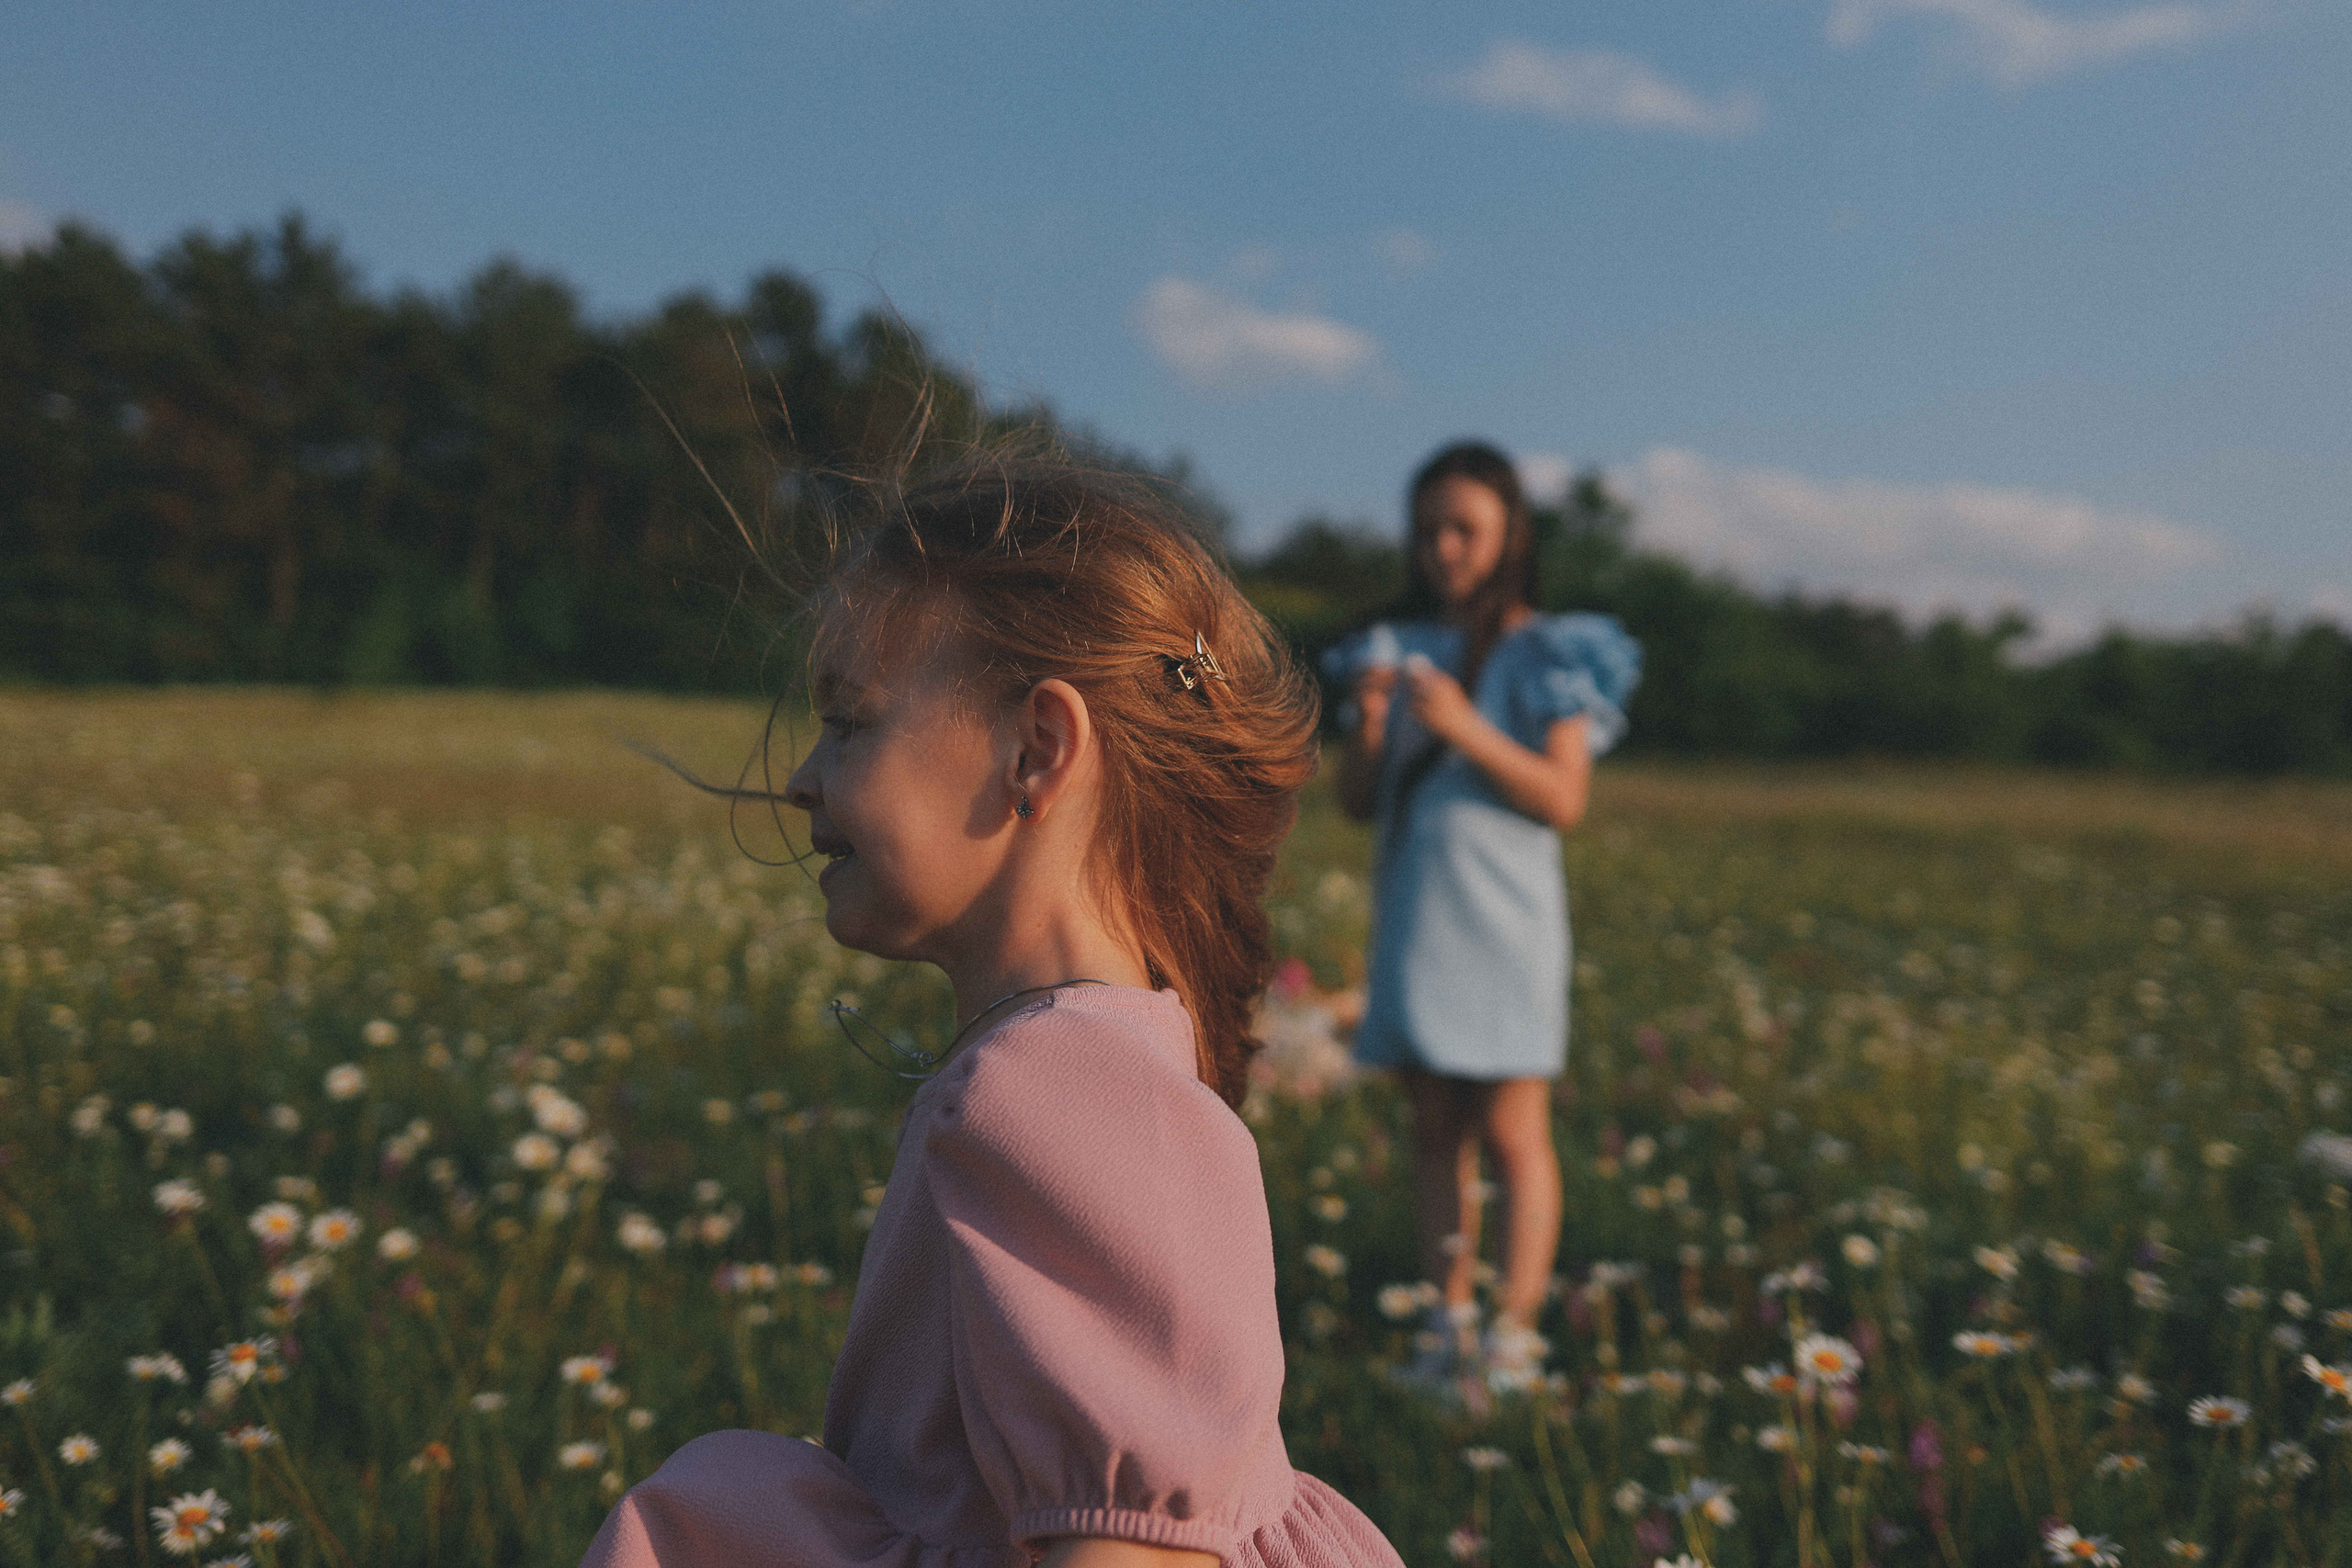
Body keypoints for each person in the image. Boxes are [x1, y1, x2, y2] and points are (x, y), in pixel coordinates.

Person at [582, 452, 1404, 1568]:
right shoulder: (1101, 1059)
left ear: (1037, 749)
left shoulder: (1061, 1083)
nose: (801, 778)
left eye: (850, 720)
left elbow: (1132, 1555)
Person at [1323, 441, 1640, 1395]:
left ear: (1509, 536)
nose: (1443, 548)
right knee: (1429, 1124)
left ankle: (1513, 1337)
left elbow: (1563, 798)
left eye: (1464, 528)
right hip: (1418, 913)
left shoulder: (1552, 648)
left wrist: (1463, 728)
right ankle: (1445, 1322)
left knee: (1511, 1128)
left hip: (1504, 922)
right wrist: (1374, 725)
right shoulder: (1395, 648)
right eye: (1427, 530)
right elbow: (1352, 801)